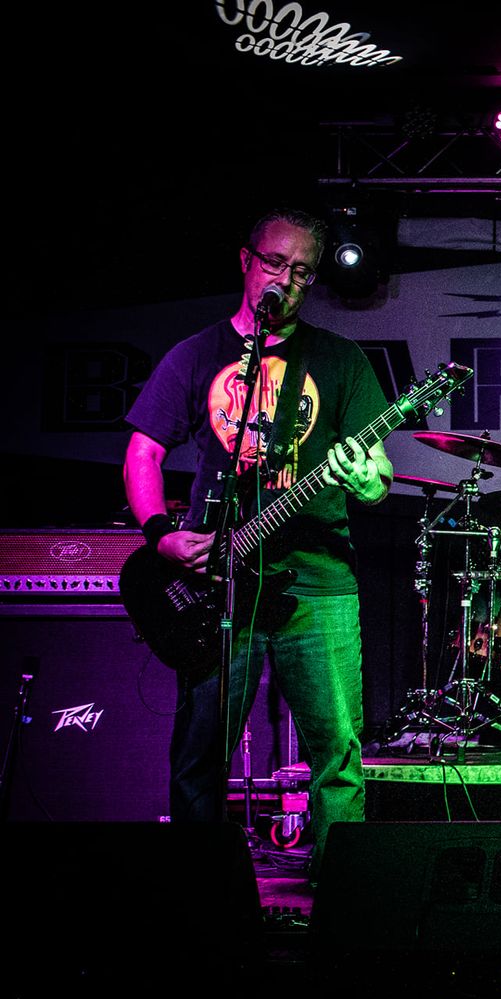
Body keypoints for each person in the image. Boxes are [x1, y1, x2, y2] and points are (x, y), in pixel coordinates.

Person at [123, 208, 393, 874]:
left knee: (337, 753)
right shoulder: (196, 355)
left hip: (318, 584)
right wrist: (160, 536)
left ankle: (341, 896)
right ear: (247, 262)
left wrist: (365, 478)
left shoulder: (340, 360)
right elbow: (142, 453)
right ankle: (199, 894)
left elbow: (379, 476)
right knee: (199, 754)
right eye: (275, 263)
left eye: (302, 271)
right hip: (217, 585)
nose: (286, 280)